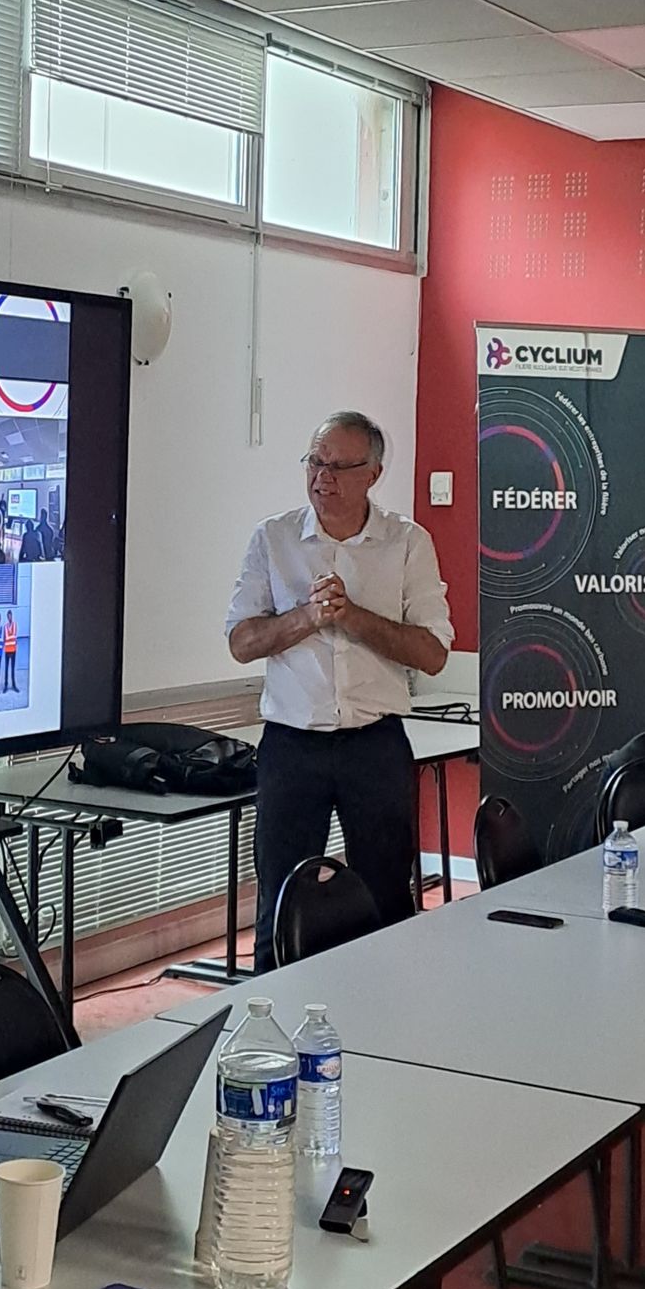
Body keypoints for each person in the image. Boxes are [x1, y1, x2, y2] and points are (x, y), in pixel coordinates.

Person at [225, 410, 452, 972]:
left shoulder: (407, 542)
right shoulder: (274, 538)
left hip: (374, 745)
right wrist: (308, 616)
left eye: (339, 467)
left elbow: (433, 653)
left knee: (387, 895)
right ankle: (271, 1010)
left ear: (373, 473)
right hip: (291, 746)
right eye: (315, 462)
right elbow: (241, 642)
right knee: (281, 899)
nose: (322, 478)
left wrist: (353, 617)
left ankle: (385, 1007)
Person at [1, 608, 19, 693]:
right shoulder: (5, 626)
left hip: (13, 649)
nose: (9, 617)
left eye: (10, 616)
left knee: (12, 668)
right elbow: (6, 637)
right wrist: (10, 636)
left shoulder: (14, 625)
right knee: (6, 668)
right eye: (8, 616)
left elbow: (13, 636)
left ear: (12, 616)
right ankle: (6, 685)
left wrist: (9, 636)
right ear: (7, 617)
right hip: (7, 649)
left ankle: (13, 685)